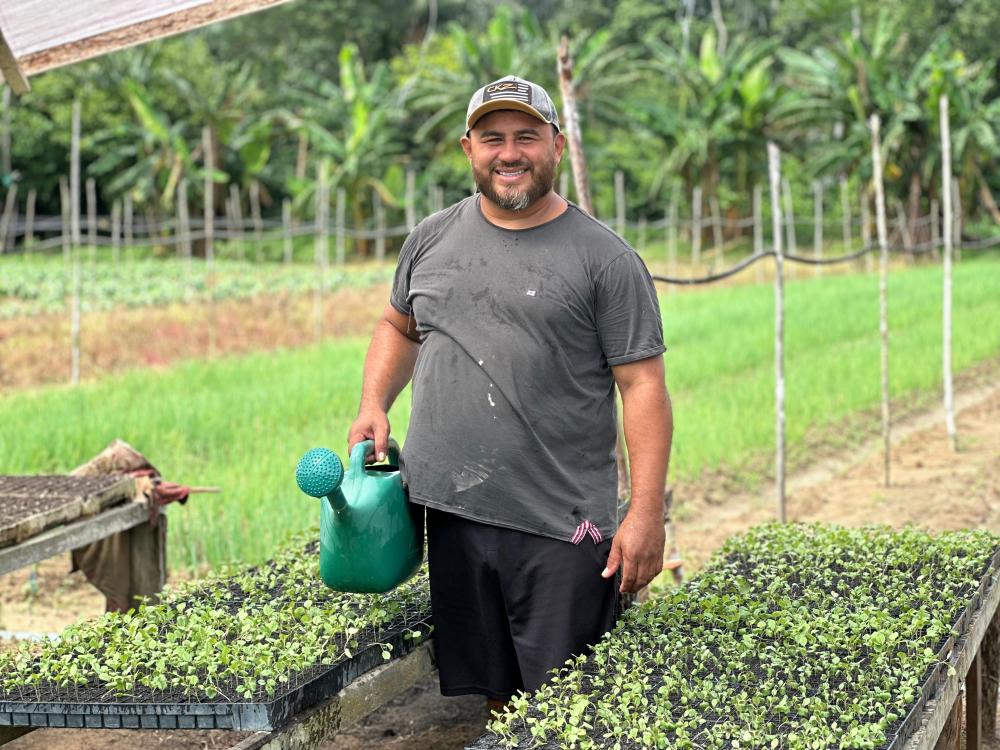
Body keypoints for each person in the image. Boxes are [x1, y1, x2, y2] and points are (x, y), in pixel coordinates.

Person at [347, 75, 672, 713]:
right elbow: (397, 325)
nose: (510, 152)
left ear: (556, 143)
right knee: (493, 696)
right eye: (492, 137)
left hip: (563, 525)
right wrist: (373, 403)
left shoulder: (603, 259)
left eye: (526, 136)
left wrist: (645, 512)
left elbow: (642, 385)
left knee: (567, 706)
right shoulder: (432, 239)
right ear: (468, 148)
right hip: (452, 511)